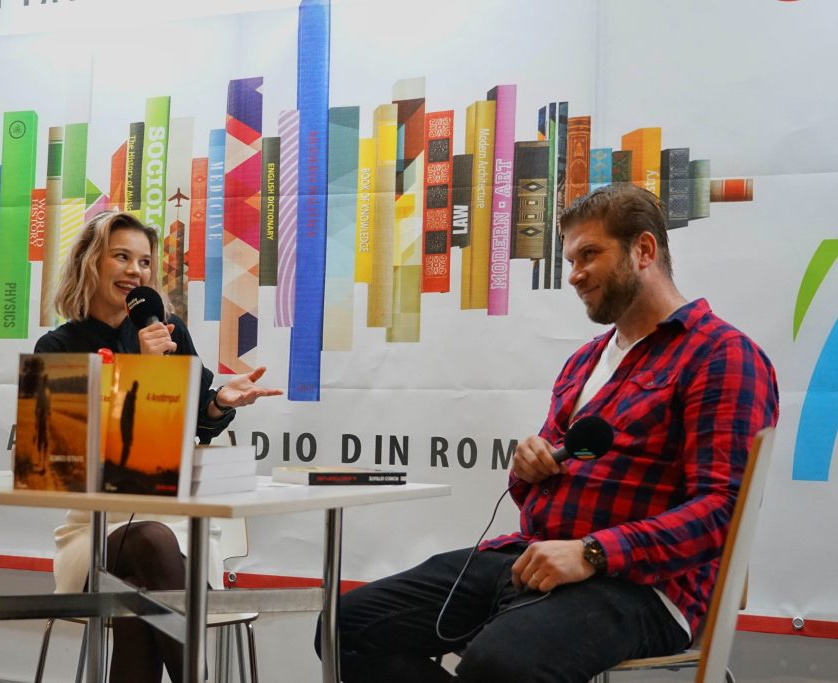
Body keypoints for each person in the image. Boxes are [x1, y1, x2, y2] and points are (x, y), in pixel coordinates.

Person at [319, 183, 779, 682]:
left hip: (642, 587)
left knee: (501, 665)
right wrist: (528, 467)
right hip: (532, 557)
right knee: (343, 628)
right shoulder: (584, 361)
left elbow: (723, 511)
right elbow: (531, 490)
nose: (575, 274)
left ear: (644, 250)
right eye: (571, 260)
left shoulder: (721, 355)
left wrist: (593, 553)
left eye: (590, 254)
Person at [36, 210, 281, 683]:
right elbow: (65, 452)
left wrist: (218, 403)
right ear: (90, 262)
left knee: (139, 595)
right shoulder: (58, 347)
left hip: (177, 522)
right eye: (121, 257)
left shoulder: (170, 332)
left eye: (145, 262)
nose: (135, 271)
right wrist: (141, 370)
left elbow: (197, 421)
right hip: (95, 527)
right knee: (150, 542)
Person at [119, 380, 139, 467]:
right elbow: (129, 413)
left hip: (127, 423)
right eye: (136, 387)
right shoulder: (130, 397)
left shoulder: (131, 397)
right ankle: (122, 464)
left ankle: (122, 463)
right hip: (126, 423)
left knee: (127, 445)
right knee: (127, 445)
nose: (136, 389)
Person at [34, 373, 50, 473]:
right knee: (40, 440)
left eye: (46, 381)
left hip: (46, 419)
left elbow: (49, 406)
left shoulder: (48, 392)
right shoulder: (40, 392)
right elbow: (36, 407)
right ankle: (40, 460)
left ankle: (44, 462)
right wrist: (37, 419)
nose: (46, 382)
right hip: (40, 418)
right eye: (45, 380)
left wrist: (48, 416)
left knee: (46, 441)